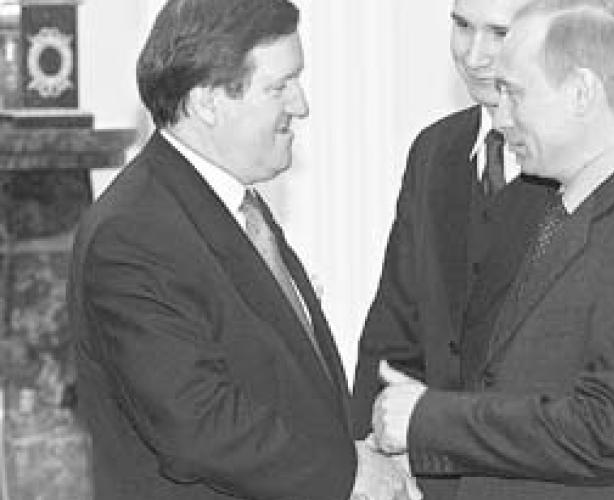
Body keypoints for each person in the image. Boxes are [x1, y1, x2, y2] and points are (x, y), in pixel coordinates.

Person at [369, 0, 614, 499]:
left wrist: (431, 420)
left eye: (515, 94)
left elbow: (612, 431)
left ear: (581, 92)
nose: (501, 118)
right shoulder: (584, 211)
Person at [67, 0, 419, 499]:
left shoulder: (233, 205)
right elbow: (197, 425)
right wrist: (348, 473)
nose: (301, 104)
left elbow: (281, 379)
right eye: (280, 86)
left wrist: (360, 452)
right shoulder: (133, 233)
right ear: (207, 102)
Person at [351, 0, 556, 497]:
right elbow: (395, 325)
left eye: (499, 33)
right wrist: (363, 457)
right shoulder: (435, 150)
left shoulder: (579, 167)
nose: (473, 54)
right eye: (462, 26)